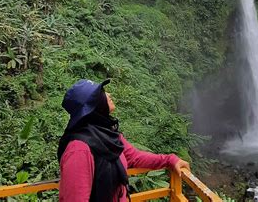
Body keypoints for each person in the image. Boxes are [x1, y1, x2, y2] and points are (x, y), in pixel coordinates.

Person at [58, 79, 190, 202]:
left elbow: (134, 157)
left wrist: (170, 160)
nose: (109, 94)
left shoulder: (108, 134)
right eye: (102, 93)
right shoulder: (78, 150)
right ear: (93, 105)